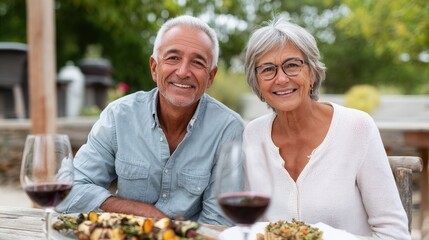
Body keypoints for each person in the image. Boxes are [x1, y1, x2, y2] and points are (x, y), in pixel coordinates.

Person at [57, 15, 244, 226]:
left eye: (197, 62)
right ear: (154, 68)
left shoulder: (228, 129)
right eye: (173, 58)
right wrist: (141, 211)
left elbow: (219, 223)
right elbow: (68, 190)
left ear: (210, 76)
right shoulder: (119, 117)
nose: (183, 72)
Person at [242, 17, 410, 239]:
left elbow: (393, 231)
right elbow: (249, 224)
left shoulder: (357, 127)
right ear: (257, 82)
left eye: (292, 65)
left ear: (312, 73)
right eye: (267, 69)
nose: (281, 79)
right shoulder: (253, 135)